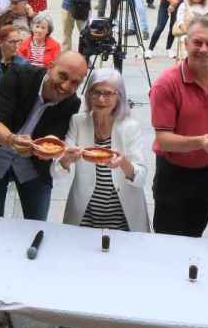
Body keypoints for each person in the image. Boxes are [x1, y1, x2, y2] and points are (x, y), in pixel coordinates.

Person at [150, 15, 208, 237]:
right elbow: (163, 139)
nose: (203, 49)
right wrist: (200, 142)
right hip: (173, 173)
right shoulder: (167, 83)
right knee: (166, 236)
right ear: (186, 43)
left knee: (195, 234)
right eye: (197, 42)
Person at [0, 51, 87, 220]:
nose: (66, 86)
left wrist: (53, 152)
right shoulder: (19, 75)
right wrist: (11, 140)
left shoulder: (72, 102)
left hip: (34, 167)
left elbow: (54, 139)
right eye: (63, 76)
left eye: (75, 83)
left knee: (37, 223)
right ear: (50, 67)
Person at [54, 68, 149, 231]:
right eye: (95, 92)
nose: (101, 99)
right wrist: (66, 159)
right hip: (85, 214)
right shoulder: (78, 122)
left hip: (123, 217)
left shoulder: (130, 127)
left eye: (108, 93)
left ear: (119, 96)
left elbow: (141, 178)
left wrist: (124, 163)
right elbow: (55, 171)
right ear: (88, 95)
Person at [0, 24, 27, 110]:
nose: (16, 46)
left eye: (18, 41)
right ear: (0, 43)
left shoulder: (25, 65)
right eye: (12, 42)